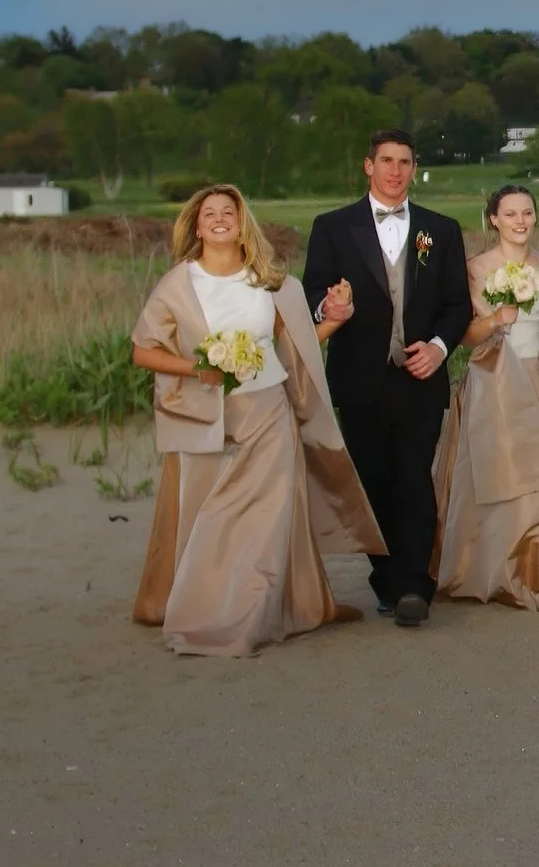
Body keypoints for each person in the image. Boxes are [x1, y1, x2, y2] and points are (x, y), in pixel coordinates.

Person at [130, 184, 384, 656]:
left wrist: (337, 317)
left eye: (230, 211)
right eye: (210, 213)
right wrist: (196, 369)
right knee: (212, 516)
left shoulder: (271, 283)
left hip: (269, 412)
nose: (220, 218)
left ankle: (252, 614)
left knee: (268, 519)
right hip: (208, 419)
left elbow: (297, 345)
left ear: (243, 222)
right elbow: (142, 351)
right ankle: (206, 606)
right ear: (197, 225)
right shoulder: (178, 284)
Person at [299, 130, 469, 627]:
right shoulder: (332, 227)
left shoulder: (442, 229)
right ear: (367, 166)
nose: (396, 171)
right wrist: (326, 307)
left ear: (414, 169)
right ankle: (387, 580)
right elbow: (312, 290)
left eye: (405, 162)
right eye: (387, 161)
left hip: (420, 375)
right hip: (358, 378)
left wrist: (439, 348)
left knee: (415, 478)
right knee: (373, 481)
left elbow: (457, 304)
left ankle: (414, 584)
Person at [437, 185, 539, 609]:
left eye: (527, 213)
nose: (520, 221)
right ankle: (496, 570)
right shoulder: (476, 268)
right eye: (510, 214)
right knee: (501, 477)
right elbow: (464, 337)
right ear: (494, 220)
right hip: (496, 380)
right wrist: (494, 321)